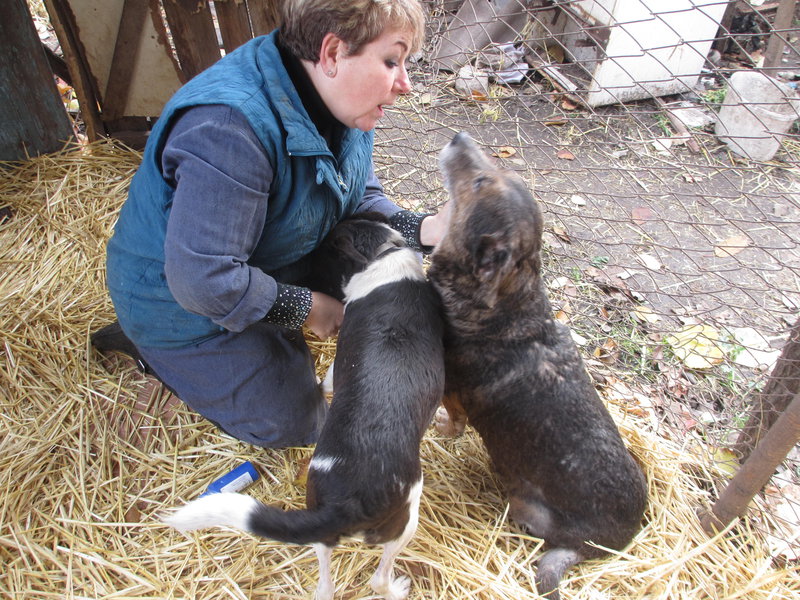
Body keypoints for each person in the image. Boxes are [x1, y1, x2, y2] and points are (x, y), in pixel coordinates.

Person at [95, 0, 450, 448]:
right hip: (178, 301)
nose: (406, 84)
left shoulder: (342, 98)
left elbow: (356, 195)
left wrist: (425, 229)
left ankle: (262, 330)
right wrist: (305, 308)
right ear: (333, 53)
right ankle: (155, 350)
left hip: (269, 255)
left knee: (393, 269)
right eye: (392, 61)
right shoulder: (228, 129)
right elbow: (201, 279)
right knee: (297, 423)